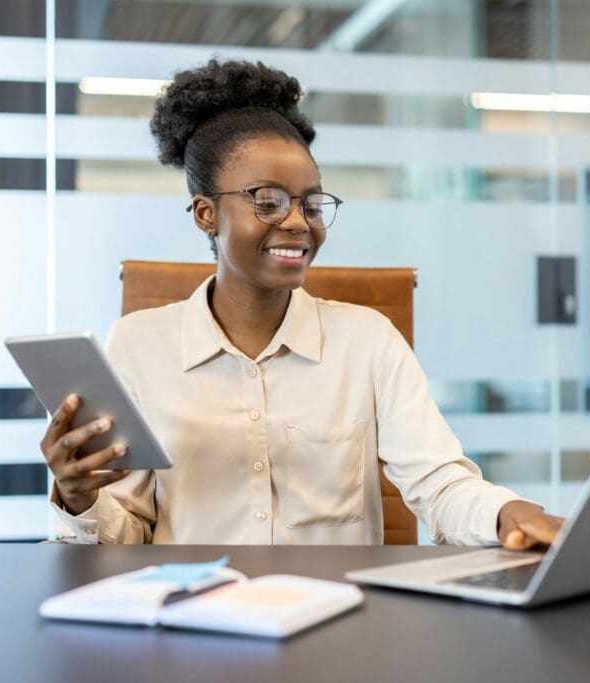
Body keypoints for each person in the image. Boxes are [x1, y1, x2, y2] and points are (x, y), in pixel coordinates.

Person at [39, 59, 563, 548]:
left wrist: (503, 512)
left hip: (337, 626)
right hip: (192, 624)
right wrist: (81, 498)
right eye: (267, 201)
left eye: (312, 203)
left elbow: (440, 483)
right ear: (205, 214)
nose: (297, 222)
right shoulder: (138, 345)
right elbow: (127, 534)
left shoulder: (368, 340)